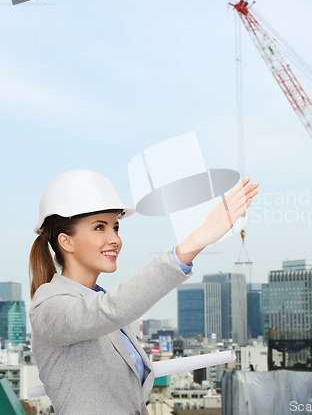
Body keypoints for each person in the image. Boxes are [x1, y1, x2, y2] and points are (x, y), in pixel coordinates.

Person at [29, 169, 258, 415]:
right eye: (99, 228)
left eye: (115, 228)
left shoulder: (103, 309)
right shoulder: (48, 306)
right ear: (66, 242)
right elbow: (112, 308)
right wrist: (195, 242)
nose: (114, 239)